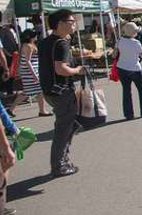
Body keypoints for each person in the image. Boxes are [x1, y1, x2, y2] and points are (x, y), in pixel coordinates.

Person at [39, 9, 85, 177]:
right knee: (63, 129)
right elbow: (61, 69)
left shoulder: (45, 41)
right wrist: (77, 70)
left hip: (49, 90)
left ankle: (62, 160)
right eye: (71, 21)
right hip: (62, 90)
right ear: (60, 24)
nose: (74, 24)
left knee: (66, 125)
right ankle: (59, 165)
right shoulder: (61, 43)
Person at [113, 22, 142, 120]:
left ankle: (128, 114)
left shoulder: (119, 40)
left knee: (126, 91)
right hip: (134, 68)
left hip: (122, 67)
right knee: (141, 90)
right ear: (133, 33)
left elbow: (114, 55)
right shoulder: (136, 42)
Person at [7, 29, 52, 117]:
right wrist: (34, 75)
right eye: (34, 35)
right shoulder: (28, 46)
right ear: (31, 37)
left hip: (29, 71)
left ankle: (42, 110)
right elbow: (28, 61)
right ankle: (11, 109)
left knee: (32, 91)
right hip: (30, 72)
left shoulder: (27, 45)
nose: (36, 36)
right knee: (30, 91)